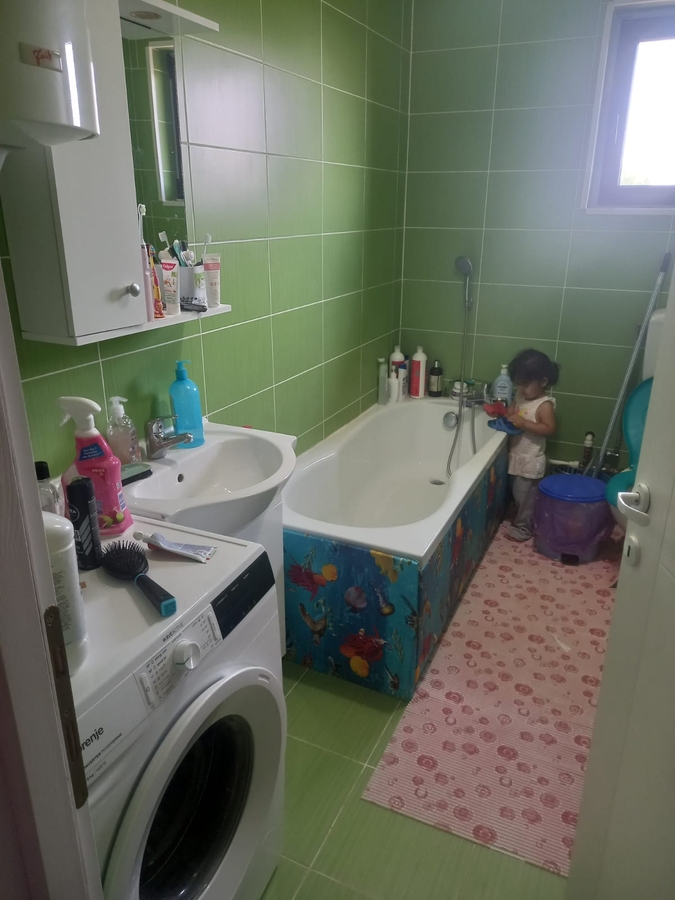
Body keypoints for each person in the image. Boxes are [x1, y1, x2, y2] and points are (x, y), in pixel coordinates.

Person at [504, 349, 559, 542]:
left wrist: (525, 423)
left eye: (526, 384)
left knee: (526, 498)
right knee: (518, 494)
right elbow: (512, 411)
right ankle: (520, 519)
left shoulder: (544, 405)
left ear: (543, 382)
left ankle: (524, 528)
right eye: (519, 384)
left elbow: (549, 428)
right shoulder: (520, 396)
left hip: (530, 460)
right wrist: (504, 414)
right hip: (517, 455)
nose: (521, 389)